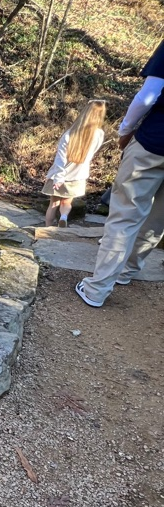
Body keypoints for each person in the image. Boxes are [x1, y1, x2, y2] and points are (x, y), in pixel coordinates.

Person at [76, 38, 164, 307]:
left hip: (153, 141)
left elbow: (149, 95)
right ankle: (127, 271)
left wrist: (125, 130)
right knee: (158, 216)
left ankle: (97, 288)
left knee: (125, 215)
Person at [42, 100, 106, 228]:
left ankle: (47, 229)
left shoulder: (69, 134)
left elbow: (60, 159)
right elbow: (92, 153)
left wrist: (59, 178)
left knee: (53, 205)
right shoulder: (99, 134)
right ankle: (64, 217)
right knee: (67, 202)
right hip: (78, 175)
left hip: (60, 175)